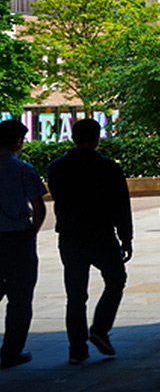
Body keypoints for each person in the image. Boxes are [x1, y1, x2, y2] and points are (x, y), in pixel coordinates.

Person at [46, 118, 132, 365]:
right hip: (101, 233)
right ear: (97, 138)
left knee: (75, 295)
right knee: (116, 279)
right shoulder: (108, 168)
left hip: (70, 235)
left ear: (73, 137)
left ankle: (77, 349)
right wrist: (126, 238)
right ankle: (100, 329)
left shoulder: (56, 167)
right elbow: (121, 205)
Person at [0, 120, 46, 369]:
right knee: (20, 299)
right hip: (18, 238)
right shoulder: (24, 169)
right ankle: (11, 352)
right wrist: (32, 232)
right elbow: (39, 207)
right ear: (18, 141)